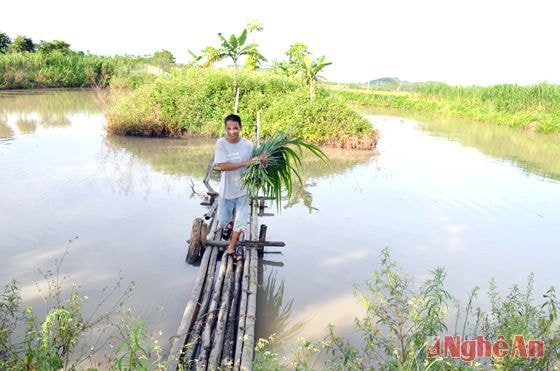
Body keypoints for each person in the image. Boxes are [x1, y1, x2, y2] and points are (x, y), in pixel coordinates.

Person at [214, 114, 267, 261]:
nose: (232, 131)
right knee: (223, 219)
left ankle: (231, 247)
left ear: (240, 128)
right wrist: (246, 163)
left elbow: (258, 163)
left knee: (242, 220)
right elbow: (223, 166)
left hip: (243, 190)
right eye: (229, 128)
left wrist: (263, 161)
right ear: (225, 129)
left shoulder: (248, 145)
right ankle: (228, 225)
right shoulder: (221, 144)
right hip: (226, 189)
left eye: (235, 128)